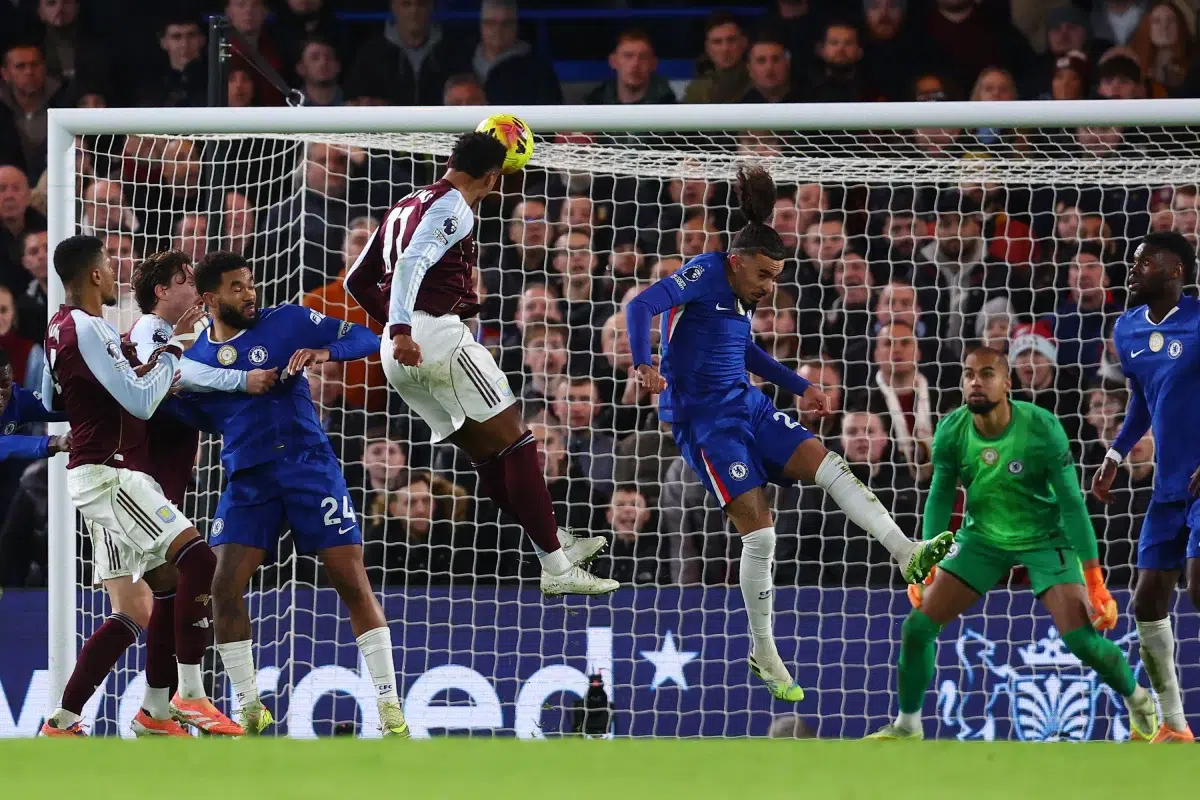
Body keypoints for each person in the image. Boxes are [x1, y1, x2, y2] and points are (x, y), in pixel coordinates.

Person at [626, 166, 954, 702]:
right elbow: (641, 304)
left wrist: (799, 384)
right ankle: (764, 649)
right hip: (706, 425)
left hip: (747, 405)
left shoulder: (740, 294)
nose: (769, 287)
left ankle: (904, 551)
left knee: (828, 463)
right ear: (735, 264)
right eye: (762, 276)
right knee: (762, 534)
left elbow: (744, 351)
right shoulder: (703, 274)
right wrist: (644, 365)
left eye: (776, 277)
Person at [343, 131, 616, 597]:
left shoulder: (405, 202)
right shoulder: (454, 208)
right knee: (520, 443)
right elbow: (410, 264)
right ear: (491, 177)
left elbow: (355, 279)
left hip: (397, 351)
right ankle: (554, 563)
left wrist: (393, 327)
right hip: (433, 335)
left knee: (489, 455)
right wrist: (407, 327)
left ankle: (551, 539)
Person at [868, 346, 1156, 740]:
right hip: (982, 539)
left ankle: (1138, 698)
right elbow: (939, 494)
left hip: (1044, 537)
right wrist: (925, 561)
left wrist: (1094, 578)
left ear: (1007, 383)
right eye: (968, 373)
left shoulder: (1041, 427)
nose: (974, 381)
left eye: (986, 374)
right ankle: (908, 725)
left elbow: (1072, 504)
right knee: (917, 628)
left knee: (1080, 641)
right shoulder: (952, 429)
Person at [183, 250, 407, 737]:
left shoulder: (287, 321)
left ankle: (391, 710)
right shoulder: (196, 360)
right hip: (248, 479)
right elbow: (193, 417)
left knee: (350, 580)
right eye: (237, 287)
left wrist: (326, 352)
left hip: (308, 465)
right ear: (209, 298)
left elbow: (367, 336)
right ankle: (249, 708)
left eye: (250, 283)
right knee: (222, 587)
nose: (249, 294)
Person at [40, 235, 239, 737]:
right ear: (92, 275)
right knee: (199, 560)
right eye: (108, 266)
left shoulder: (57, 329)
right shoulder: (93, 328)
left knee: (145, 601)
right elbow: (141, 401)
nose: (114, 274)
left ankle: (72, 721)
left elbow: (61, 399)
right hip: (114, 474)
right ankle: (190, 695)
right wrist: (173, 352)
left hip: (99, 473)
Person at [106, 249, 276, 736]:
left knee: (167, 589)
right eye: (184, 282)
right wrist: (242, 380)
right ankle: (190, 693)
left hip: (166, 475)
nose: (194, 293)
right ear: (162, 293)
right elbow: (180, 377)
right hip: (142, 476)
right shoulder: (149, 331)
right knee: (192, 568)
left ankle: (154, 711)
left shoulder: (184, 337)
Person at [1091, 230, 1199, 742]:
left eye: (1145, 261)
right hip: (1167, 489)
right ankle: (1174, 726)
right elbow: (1143, 400)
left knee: (1198, 589)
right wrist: (1114, 454)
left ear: (1176, 270)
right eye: (1132, 262)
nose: (1133, 269)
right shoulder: (1127, 329)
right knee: (1147, 602)